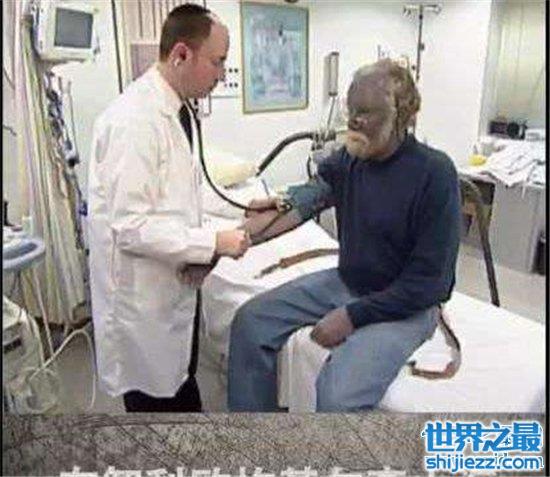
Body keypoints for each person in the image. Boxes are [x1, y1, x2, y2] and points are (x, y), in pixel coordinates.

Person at [228, 59, 462, 412]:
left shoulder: (435, 173)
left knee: (337, 396)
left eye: (366, 112)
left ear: (401, 116)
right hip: (348, 282)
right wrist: (230, 242)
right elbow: (305, 201)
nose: (354, 121)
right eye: (352, 110)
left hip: (405, 305)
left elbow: (430, 284)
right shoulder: (350, 160)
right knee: (250, 323)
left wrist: (352, 316)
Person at [88, 4, 250, 412]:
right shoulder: (134, 121)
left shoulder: (178, 110)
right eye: (217, 61)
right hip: (143, 306)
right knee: (154, 408)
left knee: (181, 387)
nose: (222, 74)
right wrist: (213, 243)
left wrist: (242, 210)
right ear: (181, 54)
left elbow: (182, 195)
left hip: (173, 292)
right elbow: (131, 226)